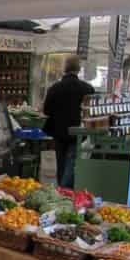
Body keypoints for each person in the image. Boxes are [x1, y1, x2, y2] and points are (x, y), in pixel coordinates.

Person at [42, 55, 95, 188]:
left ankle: (61, 187)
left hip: (58, 133)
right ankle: (65, 190)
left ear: (64, 69)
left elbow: (46, 111)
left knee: (60, 163)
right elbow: (91, 112)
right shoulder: (87, 89)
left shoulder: (54, 88)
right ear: (78, 69)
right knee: (72, 162)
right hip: (77, 133)